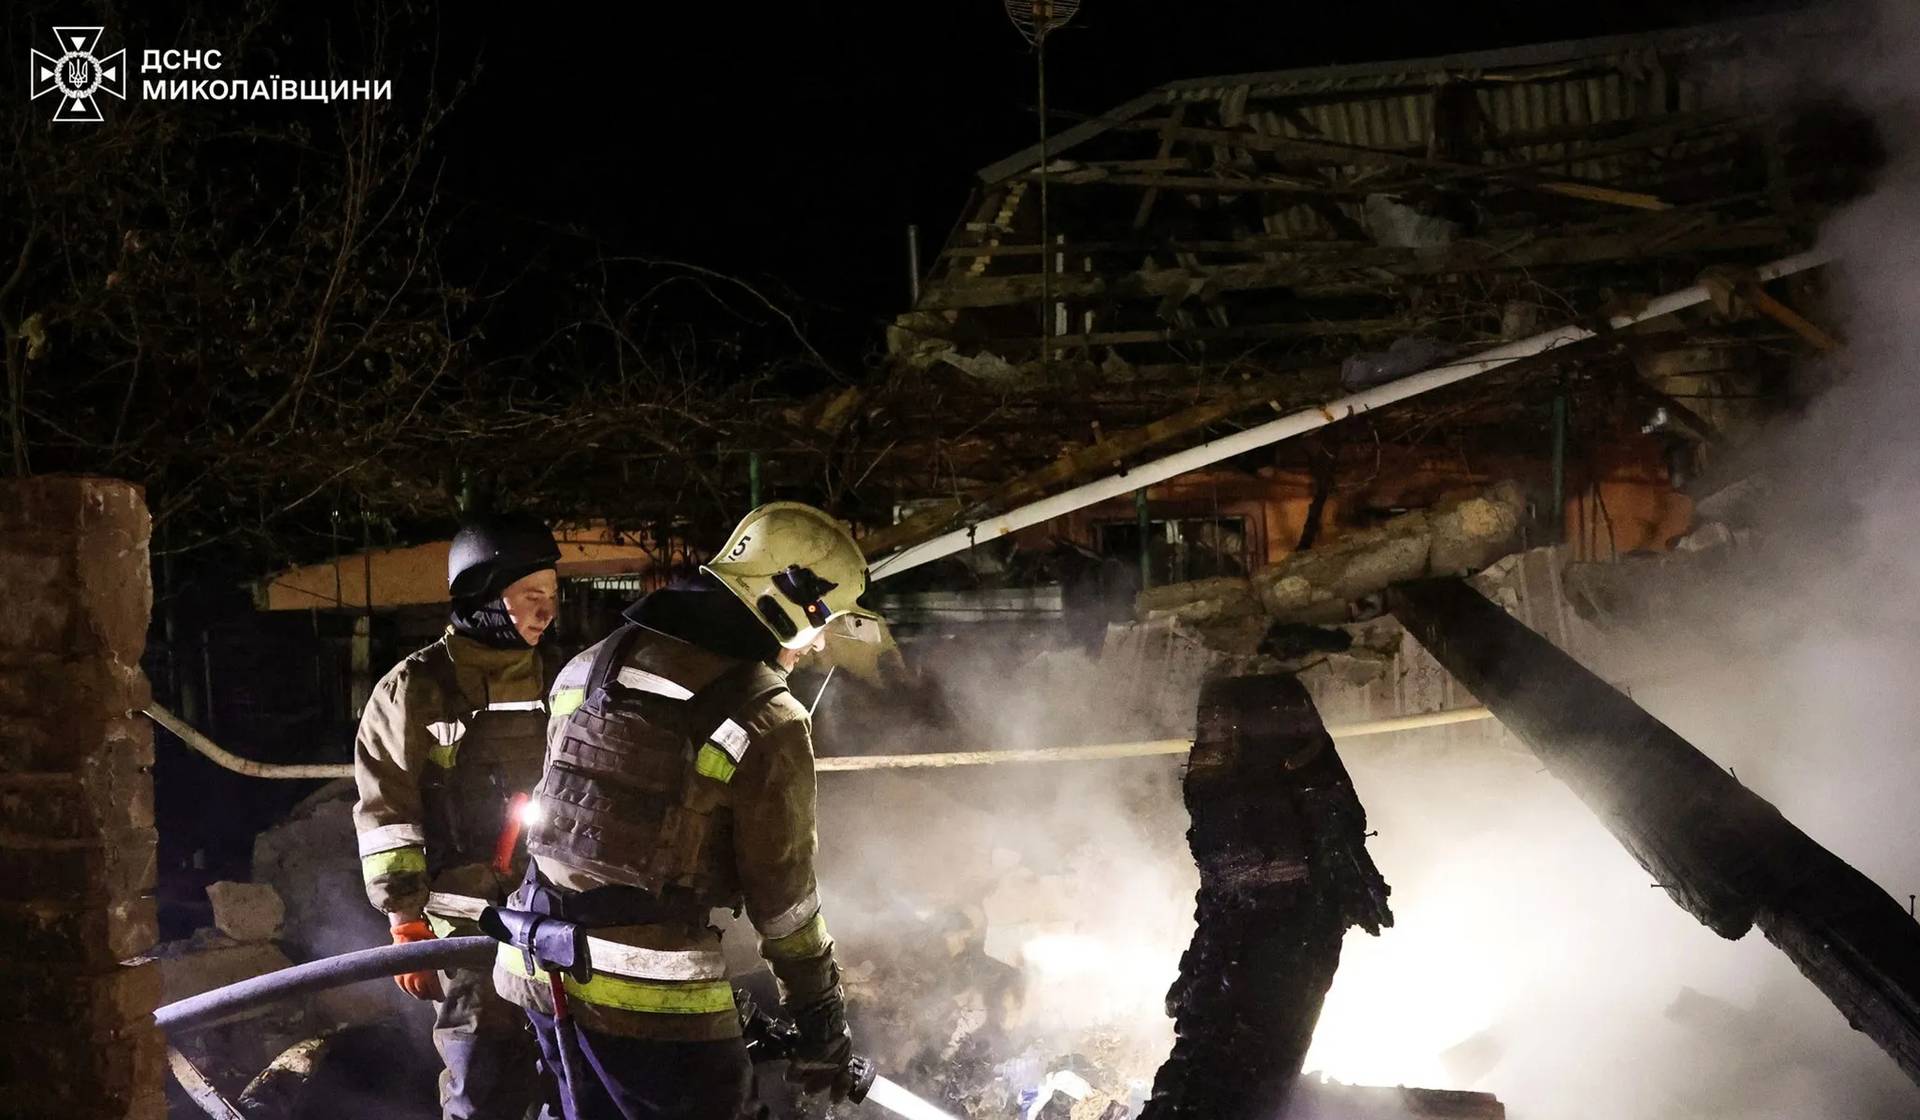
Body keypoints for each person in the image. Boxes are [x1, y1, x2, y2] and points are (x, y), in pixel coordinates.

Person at [493, 502, 884, 1120]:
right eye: (818, 626)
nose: (812, 648)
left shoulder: (586, 667)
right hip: (651, 994)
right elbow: (785, 905)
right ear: (787, 602)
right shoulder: (766, 714)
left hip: (536, 964)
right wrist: (821, 1023)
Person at [353, 513, 562, 1120]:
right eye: (530, 595)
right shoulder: (416, 688)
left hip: (555, 913)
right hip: (465, 925)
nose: (545, 611)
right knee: (484, 1076)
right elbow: (386, 809)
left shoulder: (564, 681)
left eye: (552, 596)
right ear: (485, 593)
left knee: (565, 1075)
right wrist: (404, 920)